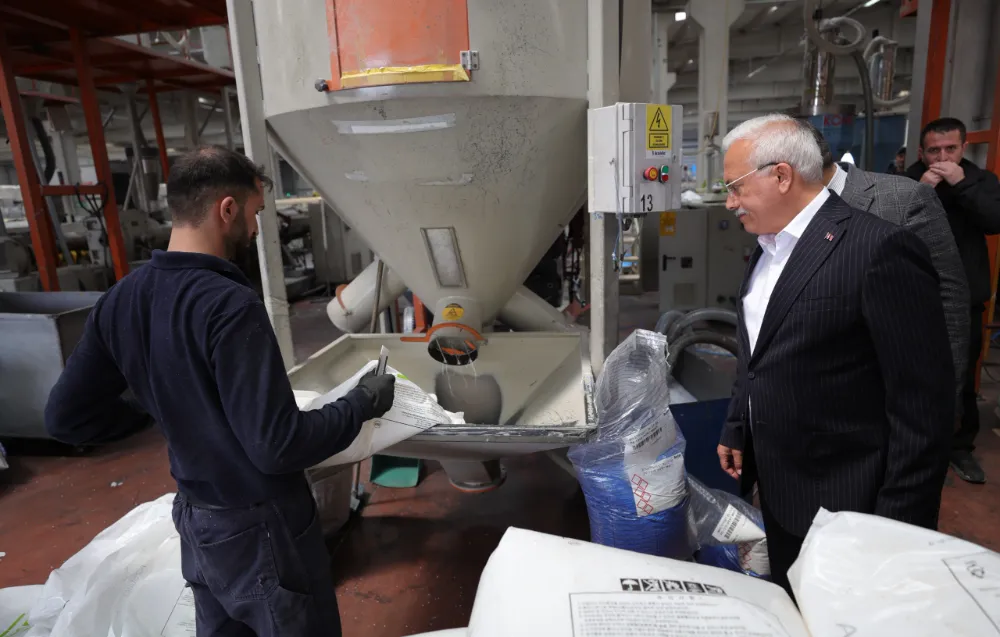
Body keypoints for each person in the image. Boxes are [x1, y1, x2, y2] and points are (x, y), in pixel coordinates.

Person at [44, 146, 396, 637]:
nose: (254, 229)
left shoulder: (121, 298)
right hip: (264, 532)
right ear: (227, 209)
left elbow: (64, 418)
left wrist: (155, 410)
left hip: (199, 525)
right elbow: (278, 446)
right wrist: (361, 404)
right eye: (254, 213)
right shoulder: (229, 306)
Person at [716, 114, 954, 595]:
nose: (729, 202)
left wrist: (897, 527)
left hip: (849, 501)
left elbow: (923, 408)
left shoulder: (878, 249)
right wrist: (739, 422)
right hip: (781, 487)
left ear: (782, 176)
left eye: (736, 187)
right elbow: (759, 351)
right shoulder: (767, 247)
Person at [807, 123, 969, 402]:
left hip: (887, 390)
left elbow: (948, 297)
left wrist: (943, 400)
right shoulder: (777, 213)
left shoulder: (903, 199)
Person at [906, 117, 1000, 484]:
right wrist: (920, 192)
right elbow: (885, 226)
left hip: (965, 297)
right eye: (934, 150)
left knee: (961, 377)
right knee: (910, 373)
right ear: (922, 152)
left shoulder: (980, 180)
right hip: (914, 295)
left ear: (963, 148)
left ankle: (959, 447)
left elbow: (994, 220)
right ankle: (913, 447)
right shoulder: (908, 181)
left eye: (950, 149)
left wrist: (961, 185)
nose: (942, 157)